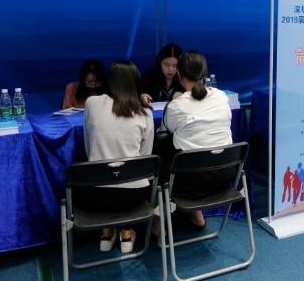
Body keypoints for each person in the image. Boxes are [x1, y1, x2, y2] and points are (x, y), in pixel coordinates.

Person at [80, 61, 154, 254]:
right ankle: (126, 234)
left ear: (109, 81)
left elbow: (89, 146)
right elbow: (145, 159)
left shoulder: (92, 103)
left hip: (96, 194)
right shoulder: (145, 112)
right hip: (134, 195)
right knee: (133, 178)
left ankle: (106, 233)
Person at [157, 50, 232, 230]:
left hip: (189, 185)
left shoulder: (176, 106)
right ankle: (196, 216)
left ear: (179, 73)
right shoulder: (221, 96)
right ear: (205, 74)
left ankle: (157, 224)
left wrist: (176, 101)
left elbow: (163, 133)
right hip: (225, 178)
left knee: (161, 152)